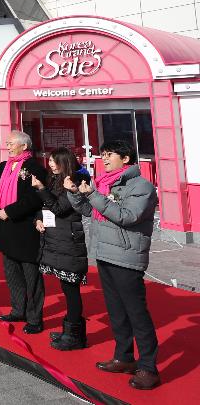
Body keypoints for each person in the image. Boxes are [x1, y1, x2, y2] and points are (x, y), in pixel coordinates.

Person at [66, 140, 160, 390]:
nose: (104, 159)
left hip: (126, 256)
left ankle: (148, 367)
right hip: (105, 252)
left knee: (137, 314)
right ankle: (124, 357)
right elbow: (89, 210)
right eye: (102, 155)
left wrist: (93, 195)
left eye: (109, 155)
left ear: (126, 158)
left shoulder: (141, 186)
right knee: (116, 312)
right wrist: (76, 193)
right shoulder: (105, 182)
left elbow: (126, 216)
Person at [33, 148, 89, 349]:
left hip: (69, 240)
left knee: (71, 288)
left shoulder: (73, 181)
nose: (51, 164)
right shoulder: (54, 179)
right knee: (66, 287)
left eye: (55, 161)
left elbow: (59, 208)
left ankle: (75, 335)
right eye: (50, 161)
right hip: (56, 239)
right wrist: (39, 219)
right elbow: (47, 208)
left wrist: (41, 189)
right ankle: (69, 331)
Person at [0, 130, 48, 333]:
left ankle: (35, 318)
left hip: (25, 228)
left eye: (11, 143)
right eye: (7, 143)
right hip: (6, 228)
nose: (7, 146)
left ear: (24, 146)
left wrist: (10, 210)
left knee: (31, 277)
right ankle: (18, 310)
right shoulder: (4, 166)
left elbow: (35, 198)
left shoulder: (35, 168)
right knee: (12, 274)